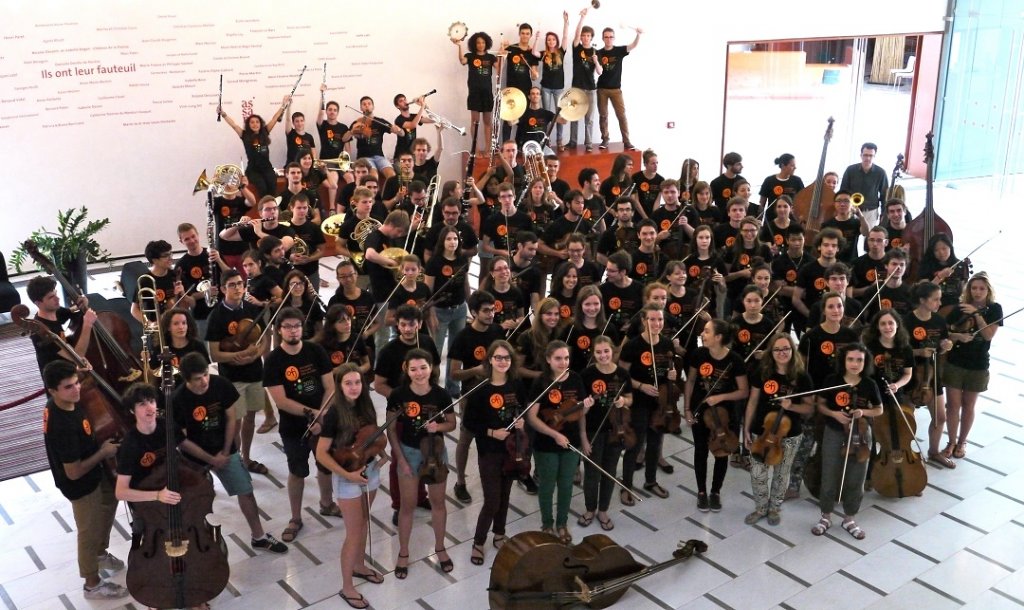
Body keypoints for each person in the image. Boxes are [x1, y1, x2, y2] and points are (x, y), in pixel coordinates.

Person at [173, 353, 288, 555]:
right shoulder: (178, 399)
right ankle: (196, 543)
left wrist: (226, 452)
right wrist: (211, 460)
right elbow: (182, 441)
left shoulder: (221, 385)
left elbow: (232, 417)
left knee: (245, 491)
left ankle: (259, 536)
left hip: (224, 450)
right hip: (194, 459)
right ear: (187, 380)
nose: (204, 381)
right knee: (194, 501)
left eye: (206, 375)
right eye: (198, 379)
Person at [41, 360, 127, 600]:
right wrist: (103, 453)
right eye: (69, 386)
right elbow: (74, 472)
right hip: (80, 484)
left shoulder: (70, 402)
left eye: (77, 383)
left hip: (94, 472)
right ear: (52, 391)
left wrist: (83, 369)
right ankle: (92, 584)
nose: (77, 389)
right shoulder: (62, 425)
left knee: (110, 501)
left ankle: (99, 554)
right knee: (88, 531)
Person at [262, 307, 339, 542]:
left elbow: (330, 387)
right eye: (287, 327)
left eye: (296, 326)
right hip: (293, 427)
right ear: (279, 330)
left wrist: (322, 414)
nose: (293, 330)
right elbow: (281, 401)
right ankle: (295, 517)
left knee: (325, 466)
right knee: (297, 471)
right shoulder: (274, 360)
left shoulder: (315, 350)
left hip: (323, 420)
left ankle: (327, 503)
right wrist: (313, 414)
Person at [315, 363, 387, 609]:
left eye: (357, 382)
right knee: (354, 532)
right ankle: (347, 587)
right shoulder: (334, 413)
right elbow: (321, 453)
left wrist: (382, 453)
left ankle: (358, 565)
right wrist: (348, 474)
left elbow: (370, 435)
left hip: (369, 469)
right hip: (347, 476)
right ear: (340, 386)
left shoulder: (366, 405)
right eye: (348, 383)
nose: (354, 387)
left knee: (364, 520)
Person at [387, 348, 457, 578]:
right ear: (406, 370)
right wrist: (401, 460)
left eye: (423, 368)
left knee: (438, 503)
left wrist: (439, 427)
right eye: (414, 369)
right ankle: (404, 552)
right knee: (407, 506)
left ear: (431, 368)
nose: (419, 373)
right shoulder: (398, 395)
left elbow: (451, 423)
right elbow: (391, 431)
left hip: (435, 453)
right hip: (409, 451)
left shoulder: (441, 394)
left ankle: (440, 547)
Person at [463, 340, 527, 565]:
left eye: (506, 358)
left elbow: (523, 411)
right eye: (498, 357)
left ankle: (499, 534)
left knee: (505, 495)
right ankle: (478, 542)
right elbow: (469, 423)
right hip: (489, 451)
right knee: (492, 500)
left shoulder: (517, 386)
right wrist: (491, 432)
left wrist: (521, 422)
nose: (502, 362)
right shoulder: (480, 390)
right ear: (490, 359)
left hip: (513, 450)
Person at [811, 343, 883, 540]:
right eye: (851, 359)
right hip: (834, 432)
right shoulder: (833, 380)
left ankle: (849, 518)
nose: (855, 363)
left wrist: (863, 412)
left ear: (865, 362)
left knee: (856, 477)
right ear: (843, 360)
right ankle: (825, 516)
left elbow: (878, 409)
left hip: (860, 434)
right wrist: (834, 414)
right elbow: (821, 405)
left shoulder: (869, 384)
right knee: (829, 474)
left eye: (859, 360)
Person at [205, 269, 272, 474]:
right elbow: (214, 354)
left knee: (251, 418)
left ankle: (247, 457)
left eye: (240, 284)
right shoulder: (216, 316)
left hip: (254, 373)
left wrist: (255, 354)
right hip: (232, 378)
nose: (237, 288)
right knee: (235, 421)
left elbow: (263, 340)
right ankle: (234, 462)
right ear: (224, 289)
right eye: (232, 285)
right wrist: (236, 357)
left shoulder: (252, 309)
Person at [527, 340, 594, 544]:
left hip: (570, 442)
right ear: (548, 359)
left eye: (566, 358)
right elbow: (532, 417)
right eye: (558, 358)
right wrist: (554, 434)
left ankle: (562, 523)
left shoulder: (575, 379)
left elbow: (580, 412)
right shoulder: (541, 381)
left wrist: (587, 408)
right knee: (547, 485)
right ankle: (547, 523)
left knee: (566, 485)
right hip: (546, 444)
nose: (563, 362)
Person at [742, 333, 813, 525]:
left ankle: (774, 508)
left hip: (789, 435)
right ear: (771, 352)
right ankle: (760, 507)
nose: (782, 353)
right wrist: (746, 429)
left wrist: (792, 407)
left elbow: (809, 407)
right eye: (778, 349)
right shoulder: (762, 372)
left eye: (786, 349)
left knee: (782, 474)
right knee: (758, 473)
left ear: (792, 350)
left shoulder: (801, 376)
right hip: (761, 431)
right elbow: (752, 401)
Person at [683, 319, 750, 512]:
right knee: (701, 450)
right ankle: (702, 491)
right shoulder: (699, 354)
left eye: (707, 331)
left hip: (726, 415)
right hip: (700, 410)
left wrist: (719, 397)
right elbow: (691, 381)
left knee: (722, 452)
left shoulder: (735, 360)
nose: (703, 334)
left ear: (718, 337)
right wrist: (687, 409)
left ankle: (715, 491)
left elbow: (743, 391)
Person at [944, 272, 1001, 461]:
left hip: (978, 363)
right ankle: (951, 441)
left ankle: (962, 441)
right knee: (953, 405)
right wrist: (959, 336)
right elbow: (945, 332)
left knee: (969, 405)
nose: (977, 292)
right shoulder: (960, 308)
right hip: (955, 361)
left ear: (988, 291)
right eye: (974, 288)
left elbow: (988, 335)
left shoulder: (994, 309)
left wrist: (976, 315)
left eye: (982, 289)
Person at [580, 335, 633, 531]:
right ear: (594, 353)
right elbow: (581, 412)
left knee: (609, 472)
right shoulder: (586, 375)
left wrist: (623, 402)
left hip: (616, 429)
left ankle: (603, 510)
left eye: (606, 351)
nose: (603, 355)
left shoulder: (622, 374)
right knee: (592, 473)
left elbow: (630, 399)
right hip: (594, 430)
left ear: (613, 351)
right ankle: (590, 509)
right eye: (599, 352)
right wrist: (584, 437)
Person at [905, 281, 956, 468]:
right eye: (935, 300)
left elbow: (941, 346)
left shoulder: (939, 321)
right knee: (908, 418)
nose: (939, 303)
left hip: (931, 373)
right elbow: (898, 350)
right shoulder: (906, 321)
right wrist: (918, 353)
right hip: (911, 374)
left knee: (940, 417)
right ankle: (905, 452)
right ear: (922, 300)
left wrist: (945, 347)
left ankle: (934, 451)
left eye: (939, 299)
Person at [424, 226, 471, 397]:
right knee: (435, 351)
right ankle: (433, 387)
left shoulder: (462, 259)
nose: (452, 242)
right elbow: (427, 291)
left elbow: (465, 284)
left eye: (455, 239)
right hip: (440, 311)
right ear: (442, 241)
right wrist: (431, 313)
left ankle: (453, 386)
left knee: (455, 350)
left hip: (459, 309)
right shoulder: (434, 262)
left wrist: (470, 304)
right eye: (449, 239)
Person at [219, 97, 290, 197]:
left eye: (257, 122)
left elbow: (275, 118)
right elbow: (234, 125)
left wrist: (283, 105)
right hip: (253, 170)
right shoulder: (245, 135)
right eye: (252, 122)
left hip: (267, 168)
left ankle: (273, 208)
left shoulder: (265, 132)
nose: (255, 124)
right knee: (262, 187)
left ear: (261, 124)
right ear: (248, 124)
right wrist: (223, 114)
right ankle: (263, 209)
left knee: (272, 185)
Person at [26, 277, 95, 374]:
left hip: (69, 365)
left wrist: (81, 305)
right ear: (38, 303)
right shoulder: (42, 333)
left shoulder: (54, 311)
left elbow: (70, 311)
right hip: (60, 377)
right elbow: (78, 356)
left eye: (56, 294)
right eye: (51, 297)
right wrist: (88, 324)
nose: (57, 298)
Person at [595, 26, 641, 150]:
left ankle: (626, 141)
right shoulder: (598, 53)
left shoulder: (619, 50)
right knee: (603, 115)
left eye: (611, 37)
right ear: (603, 38)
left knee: (622, 115)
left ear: (614, 38)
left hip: (616, 89)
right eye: (606, 37)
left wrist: (638, 34)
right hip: (602, 89)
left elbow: (633, 45)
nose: (609, 39)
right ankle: (605, 140)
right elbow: (598, 70)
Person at [454, 31, 498, 153]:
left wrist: (502, 52)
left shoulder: (490, 57)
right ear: (474, 44)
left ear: (486, 43)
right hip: (474, 93)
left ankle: (488, 149)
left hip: (487, 93)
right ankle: (476, 150)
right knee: (475, 122)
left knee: (487, 122)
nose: (480, 44)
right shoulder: (470, 56)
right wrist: (459, 46)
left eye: (483, 42)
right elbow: (462, 61)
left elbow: (499, 68)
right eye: (478, 42)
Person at [532, 12, 570, 150]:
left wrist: (566, 22)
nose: (551, 41)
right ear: (546, 41)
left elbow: (566, 36)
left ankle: (559, 141)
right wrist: (536, 39)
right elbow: (533, 53)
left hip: (559, 88)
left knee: (559, 115)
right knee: (546, 115)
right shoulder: (543, 53)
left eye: (553, 39)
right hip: (546, 88)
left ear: (556, 41)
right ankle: (546, 140)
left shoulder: (561, 51)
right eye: (548, 40)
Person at [499, 23, 540, 142]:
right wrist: (502, 48)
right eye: (523, 33)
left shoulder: (532, 53)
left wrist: (534, 73)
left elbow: (534, 77)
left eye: (527, 34)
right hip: (511, 90)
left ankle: (520, 145)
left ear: (531, 35)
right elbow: (499, 62)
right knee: (508, 119)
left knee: (523, 120)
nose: (525, 36)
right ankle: (505, 145)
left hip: (526, 90)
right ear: (519, 34)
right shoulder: (511, 49)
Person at [349, 95, 405, 180]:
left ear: (373, 106)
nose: (367, 106)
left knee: (392, 176)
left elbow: (402, 134)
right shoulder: (357, 122)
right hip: (364, 157)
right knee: (373, 176)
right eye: (364, 104)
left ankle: (386, 193)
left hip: (379, 157)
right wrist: (353, 131)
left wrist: (398, 130)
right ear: (361, 108)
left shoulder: (380, 121)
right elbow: (348, 137)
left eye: (369, 104)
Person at [568, 8, 600, 151]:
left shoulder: (595, 52)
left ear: (591, 37)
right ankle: (573, 142)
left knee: (589, 119)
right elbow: (575, 34)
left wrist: (596, 61)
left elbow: (600, 72)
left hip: (591, 89)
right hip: (577, 88)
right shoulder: (577, 48)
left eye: (588, 35)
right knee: (574, 116)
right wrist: (582, 18)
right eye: (584, 35)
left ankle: (588, 144)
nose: (585, 37)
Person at [840, 143, 889, 229]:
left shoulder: (881, 172)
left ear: (874, 156)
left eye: (871, 155)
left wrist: (883, 214)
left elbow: (884, 195)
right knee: (849, 237)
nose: (868, 158)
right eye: (865, 155)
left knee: (869, 239)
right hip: (851, 210)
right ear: (861, 155)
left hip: (871, 211)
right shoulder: (850, 170)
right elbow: (843, 190)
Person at [821, 190, 871, 264]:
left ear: (852, 204)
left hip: (852, 262)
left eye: (846, 201)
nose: (842, 204)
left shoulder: (856, 222)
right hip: (832, 262)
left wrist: (860, 216)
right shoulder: (827, 224)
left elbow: (867, 233)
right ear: (834, 204)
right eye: (839, 201)